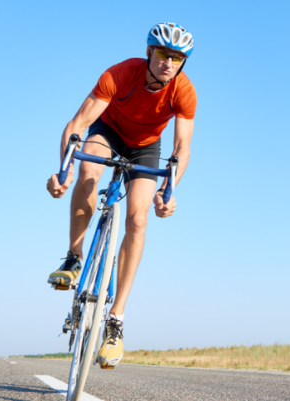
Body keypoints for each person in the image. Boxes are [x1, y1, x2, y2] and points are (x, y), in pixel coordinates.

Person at [45, 22, 196, 369]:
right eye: (163, 54)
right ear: (149, 53)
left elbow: (183, 147)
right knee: (88, 174)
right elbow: (77, 125)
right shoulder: (120, 74)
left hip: (145, 148)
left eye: (177, 58)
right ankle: (73, 257)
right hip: (108, 132)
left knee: (138, 218)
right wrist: (63, 171)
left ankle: (115, 321)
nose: (168, 63)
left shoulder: (184, 92)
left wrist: (168, 191)